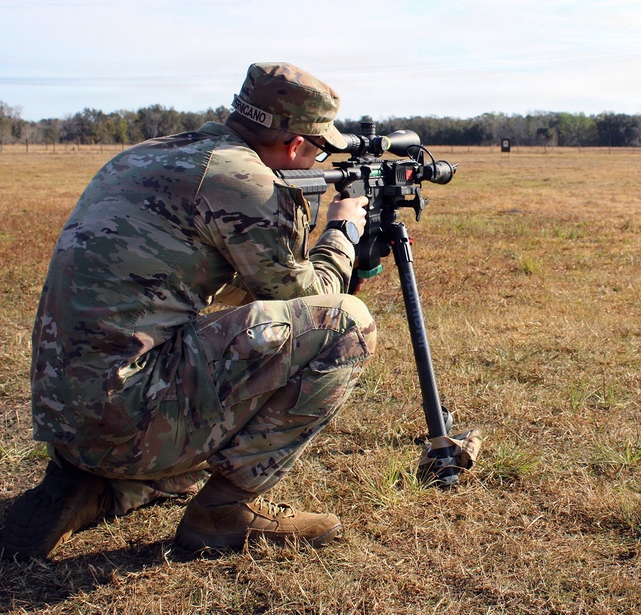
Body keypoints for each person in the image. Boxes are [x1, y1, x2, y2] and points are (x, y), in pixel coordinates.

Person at [1, 62, 376, 558]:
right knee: (347, 323)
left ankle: (89, 486)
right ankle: (225, 511)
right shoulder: (248, 182)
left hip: (68, 423)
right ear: (294, 145)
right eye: (318, 148)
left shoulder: (144, 155)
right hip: (125, 418)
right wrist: (343, 231)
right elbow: (309, 297)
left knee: (219, 333)